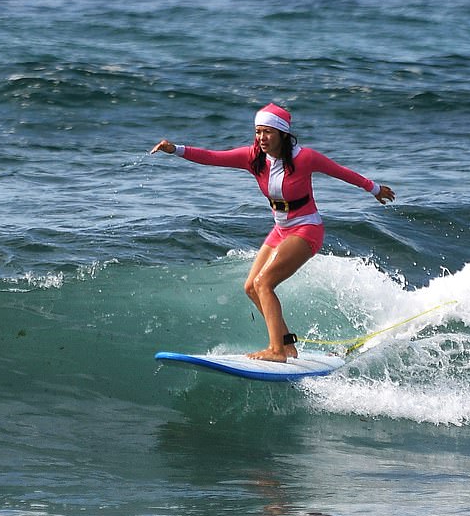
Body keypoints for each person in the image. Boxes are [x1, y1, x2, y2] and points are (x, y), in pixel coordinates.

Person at [150, 103, 395, 362]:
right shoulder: (253, 158)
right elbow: (213, 157)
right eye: (258, 132)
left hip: (307, 228)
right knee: (251, 287)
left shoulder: (305, 158)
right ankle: (287, 345)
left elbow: (341, 172)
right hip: (281, 229)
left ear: (282, 134)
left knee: (264, 283)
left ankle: (276, 351)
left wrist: (375, 189)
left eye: (267, 132)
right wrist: (175, 149)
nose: (261, 138)